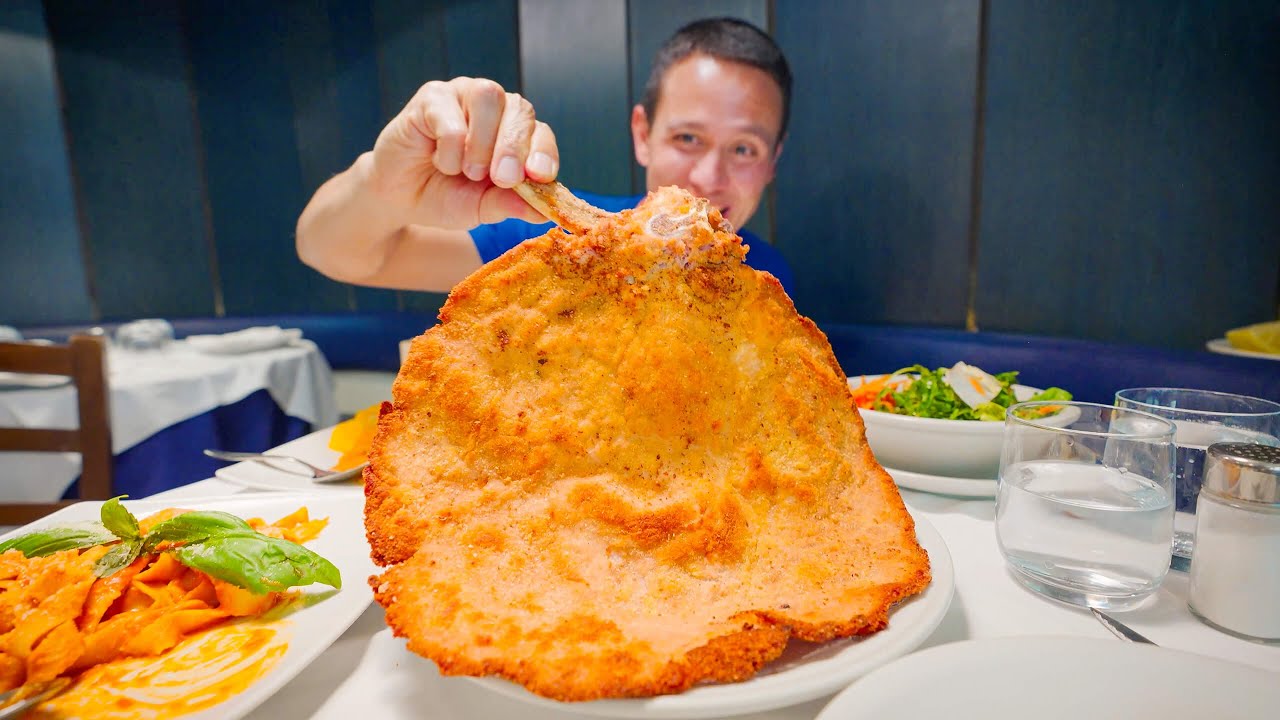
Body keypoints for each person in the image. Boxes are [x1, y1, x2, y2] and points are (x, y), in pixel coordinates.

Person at [296, 17, 794, 294]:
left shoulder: (768, 280)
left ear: (772, 162)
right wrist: (382, 186)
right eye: (687, 138)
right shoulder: (546, 241)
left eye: (743, 149)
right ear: (642, 134)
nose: (708, 176)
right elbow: (333, 252)